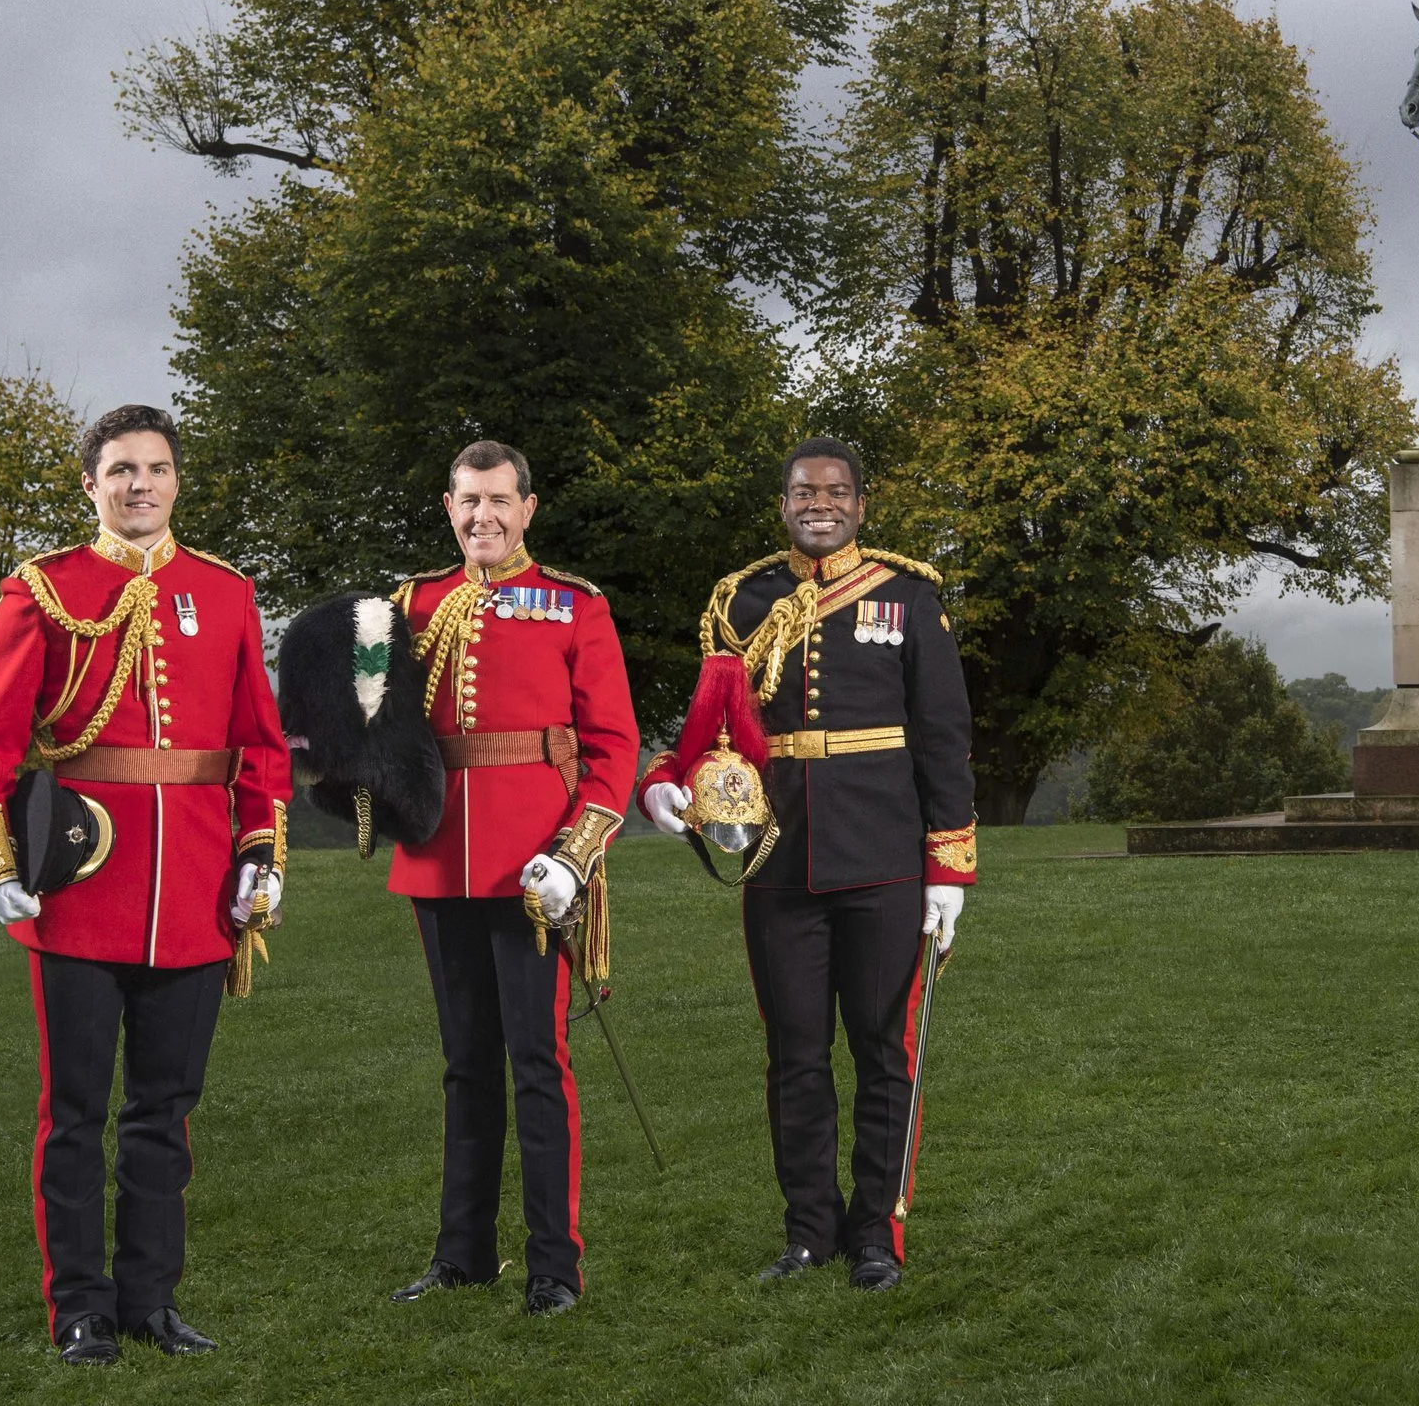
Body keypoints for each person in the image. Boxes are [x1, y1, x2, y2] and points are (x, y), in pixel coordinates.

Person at [0, 403, 291, 1366]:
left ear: (178, 480)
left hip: (194, 895)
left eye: (156, 467)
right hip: (78, 895)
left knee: (165, 1112)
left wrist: (258, 856)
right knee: (76, 1115)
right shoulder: (44, 589)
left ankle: (149, 1299)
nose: (139, 484)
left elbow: (257, 749)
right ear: (89, 484)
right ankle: (80, 1308)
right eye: (120, 470)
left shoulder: (225, 593)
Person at [638, 436, 975, 1292]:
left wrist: (948, 867)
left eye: (835, 491)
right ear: (783, 502)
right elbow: (712, 722)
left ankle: (876, 1234)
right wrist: (669, 784)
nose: (817, 503)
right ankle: (808, 1231)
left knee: (881, 1051)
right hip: (780, 863)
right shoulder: (743, 599)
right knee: (793, 1052)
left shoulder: (909, 596)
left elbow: (943, 739)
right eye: (802, 491)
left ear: (862, 506)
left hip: (886, 859)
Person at [382, 440, 639, 1319]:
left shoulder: (575, 605)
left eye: (498, 500)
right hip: (437, 857)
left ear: (530, 507)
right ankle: (462, 1254)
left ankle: (553, 1266)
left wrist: (576, 851)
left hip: (536, 864)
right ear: (447, 506)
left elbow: (613, 751)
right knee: (464, 1065)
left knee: (537, 1060)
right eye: (467, 501)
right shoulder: (413, 604)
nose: (481, 516)